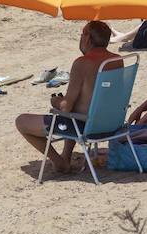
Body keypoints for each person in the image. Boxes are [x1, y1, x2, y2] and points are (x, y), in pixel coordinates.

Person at [14, 21, 119, 175]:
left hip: (87, 126)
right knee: (74, 109)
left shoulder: (82, 63)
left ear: (88, 38)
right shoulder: (116, 60)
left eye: (82, 34)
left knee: (22, 121)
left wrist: (55, 101)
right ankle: (66, 156)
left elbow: (65, 107)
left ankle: (59, 162)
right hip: (111, 123)